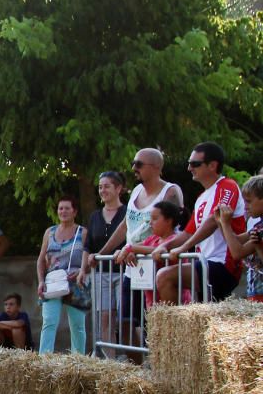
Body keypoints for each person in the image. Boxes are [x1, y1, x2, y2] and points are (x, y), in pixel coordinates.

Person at [100, 148, 183, 352]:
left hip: (157, 265)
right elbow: (126, 225)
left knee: (155, 321)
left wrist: (142, 248)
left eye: (138, 164)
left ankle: (161, 363)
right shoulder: (136, 191)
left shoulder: (170, 191)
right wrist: (103, 252)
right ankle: (136, 371)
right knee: (126, 321)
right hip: (132, 266)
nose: (133, 168)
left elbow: (177, 229)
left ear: (155, 167)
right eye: (133, 163)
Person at [154, 142, 246, 303]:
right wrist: (165, 246)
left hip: (223, 264)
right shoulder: (201, 198)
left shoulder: (227, 186)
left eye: (195, 164)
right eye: (189, 164)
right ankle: (182, 325)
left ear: (212, 165)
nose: (189, 168)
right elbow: (188, 232)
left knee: (165, 277)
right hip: (204, 262)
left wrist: (183, 248)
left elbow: (213, 221)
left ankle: (177, 328)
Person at [36, 195, 88, 354]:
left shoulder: (83, 232)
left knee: (78, 325)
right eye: (60, 208)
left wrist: (82, 271)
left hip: (76, 282)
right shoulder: (49, 232)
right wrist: (40, 281)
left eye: (67, 208)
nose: (63, 211)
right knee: (49, 322)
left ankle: (78, 359)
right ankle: (44, 358)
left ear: (74, 211)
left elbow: (88, 257)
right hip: (52, 282)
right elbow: (40, 259)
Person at [115, 201, 191, 307]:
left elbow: (155, 250)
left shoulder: (175, 240)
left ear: (169, 221)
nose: (150, 223)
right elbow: (140, 248)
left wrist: (131, 249)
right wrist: (130, 251)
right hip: (153, 306)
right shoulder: (152, 239)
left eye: (155, 218)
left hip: (176, 305)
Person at [85, 171, 127, 356]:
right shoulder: (95, 216)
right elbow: (88, 245)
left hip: (124, 271)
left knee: (124, 317)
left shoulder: (128, 212)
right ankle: (110, 360)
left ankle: (129, 356)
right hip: (101, 272)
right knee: (104, 317)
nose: (102, 190)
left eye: (107, 186)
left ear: (118, 188)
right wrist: (84, 268)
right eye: (100, 187)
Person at [214, 175, 263, 302]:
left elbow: (237, 253)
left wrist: (225, 224)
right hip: (255, 289)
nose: (246, 206)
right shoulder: (258, 227)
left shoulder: (260, 230)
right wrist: (221, 222)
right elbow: (235, 241)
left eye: (249, 201)